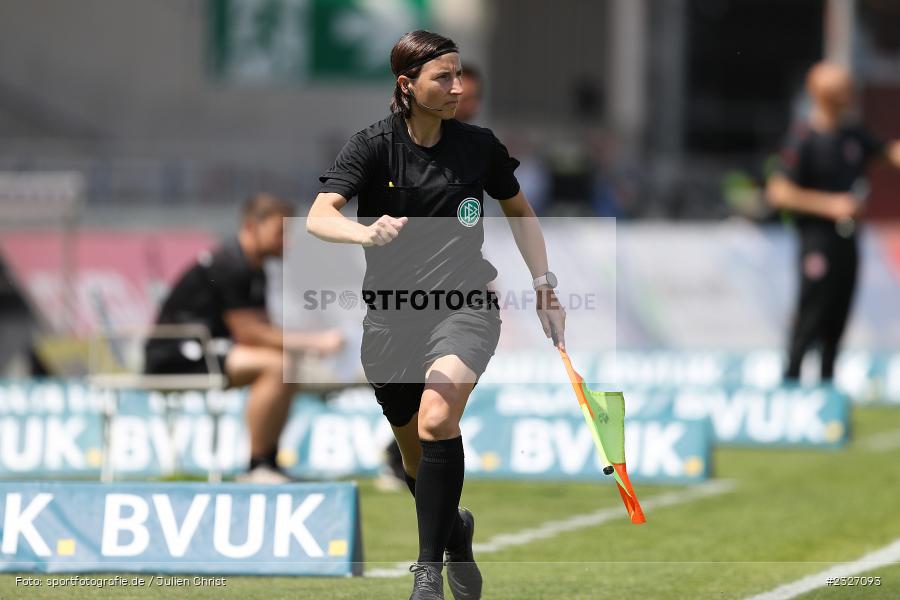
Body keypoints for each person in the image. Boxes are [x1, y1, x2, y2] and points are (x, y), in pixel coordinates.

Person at [307, 30, 565, 600]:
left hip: (465, 306)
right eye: (443, 78)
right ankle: (455, 533)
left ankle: (427, 570)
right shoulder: (372, 146)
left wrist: (544, 284)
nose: (457, 87)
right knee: (412, 455)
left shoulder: (478, 146)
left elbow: (519, 211)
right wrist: (364, 231)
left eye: (458, 75)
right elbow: (318, 216)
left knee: (435, 416)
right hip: (391, 317)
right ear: (408, 85)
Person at [145, 193, 344, 483]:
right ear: (251, 227)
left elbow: (262, 329)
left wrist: (303, 343)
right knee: (278, 366)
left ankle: (268, 462)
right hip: (175, 356)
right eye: (279, 233)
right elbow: (249, 332)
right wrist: (315, 343)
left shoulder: (255, 268)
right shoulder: (229, 264)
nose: (285, 242)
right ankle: (257, 466)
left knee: (285, 364)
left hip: (208, 351)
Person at [377, 60, 484, 493]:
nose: (461, 97)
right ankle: (402, 459)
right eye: (450, 84)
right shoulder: (393, 144)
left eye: (470, 93)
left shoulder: (474, 147)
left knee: (440, 402)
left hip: (456, 294)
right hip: (400, 296)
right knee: (412, 397)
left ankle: (439, 529)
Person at [767, 61, 900, 382]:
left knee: (839, 314)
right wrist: (831, 205)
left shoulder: (852, 134)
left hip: (848, 239)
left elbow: (888, 153)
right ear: (822, 94)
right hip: (817, 239)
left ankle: (827, 383)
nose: (849, 95)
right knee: (812, 312)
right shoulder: (804, 138)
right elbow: (779, 192)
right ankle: (792, 378)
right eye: (842, 89)